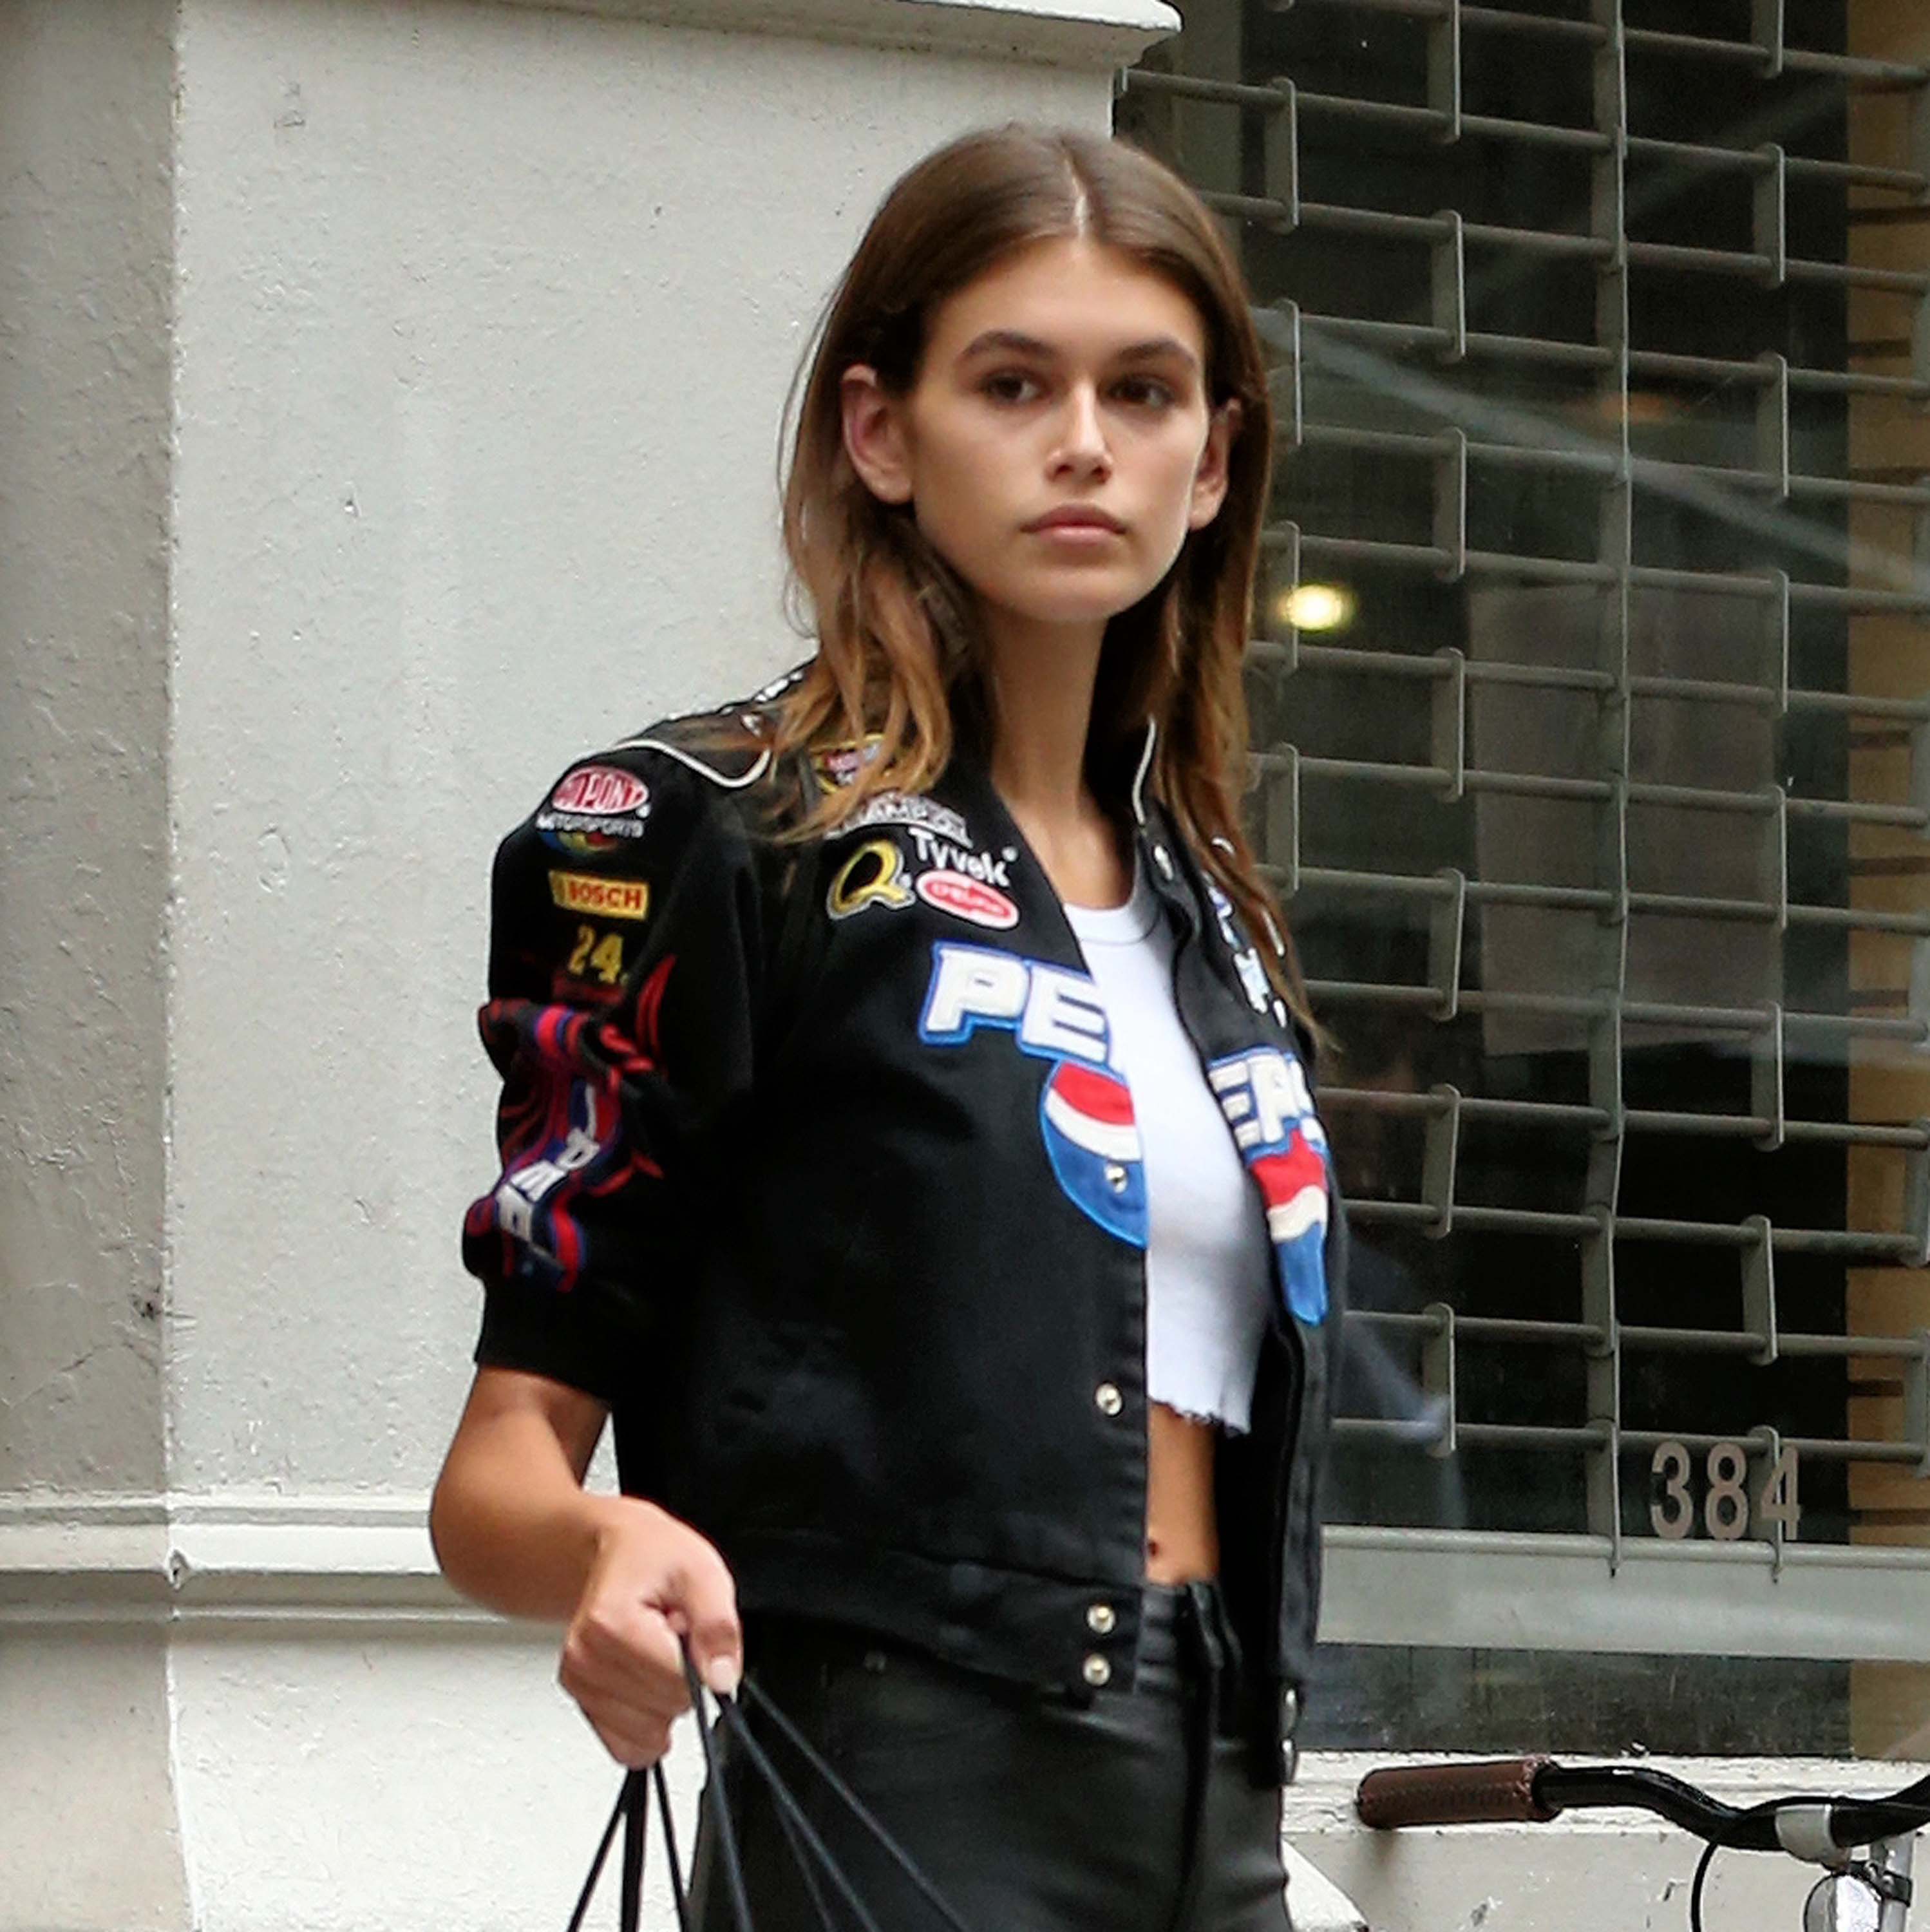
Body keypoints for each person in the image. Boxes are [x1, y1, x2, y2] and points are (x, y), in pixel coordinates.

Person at [430, 122, 1348, 1932]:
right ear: (882, 431)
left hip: (1226, 1799)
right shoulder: (716, 831)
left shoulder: (1211, 918)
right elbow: (495, 1482)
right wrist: (612, 1542)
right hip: (899, 1794)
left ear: (1217, 458)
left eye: (1145, 391)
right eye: (1014, 382)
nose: (1086, 441)